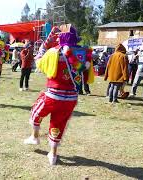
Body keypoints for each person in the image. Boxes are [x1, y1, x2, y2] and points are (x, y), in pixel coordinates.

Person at [24, 25, 94, 166]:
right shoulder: (83, 53)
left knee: (35, 113)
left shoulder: (54, 52)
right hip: (71, 98)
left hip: (53, 95)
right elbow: (86, 76)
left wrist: (47, 40)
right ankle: (53, 154)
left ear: (60, 37)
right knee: (58, 124)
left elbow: (38, 60)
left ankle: (34, 136)